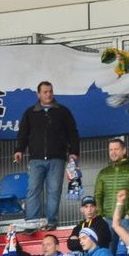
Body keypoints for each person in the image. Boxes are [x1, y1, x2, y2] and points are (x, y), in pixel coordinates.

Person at [14, 81, 80, 227]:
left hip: (57, 158)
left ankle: (51, 222)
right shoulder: (30, 113)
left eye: (50, 91)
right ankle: (32, 222)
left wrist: (74, 152)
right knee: (32, 190)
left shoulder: (63, 111)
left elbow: (72, 133)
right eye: (45, 92)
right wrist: (19, 149)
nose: (48, 94)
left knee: (54, 191)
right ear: (38, 94)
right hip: (36, 159)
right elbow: (23, 133)